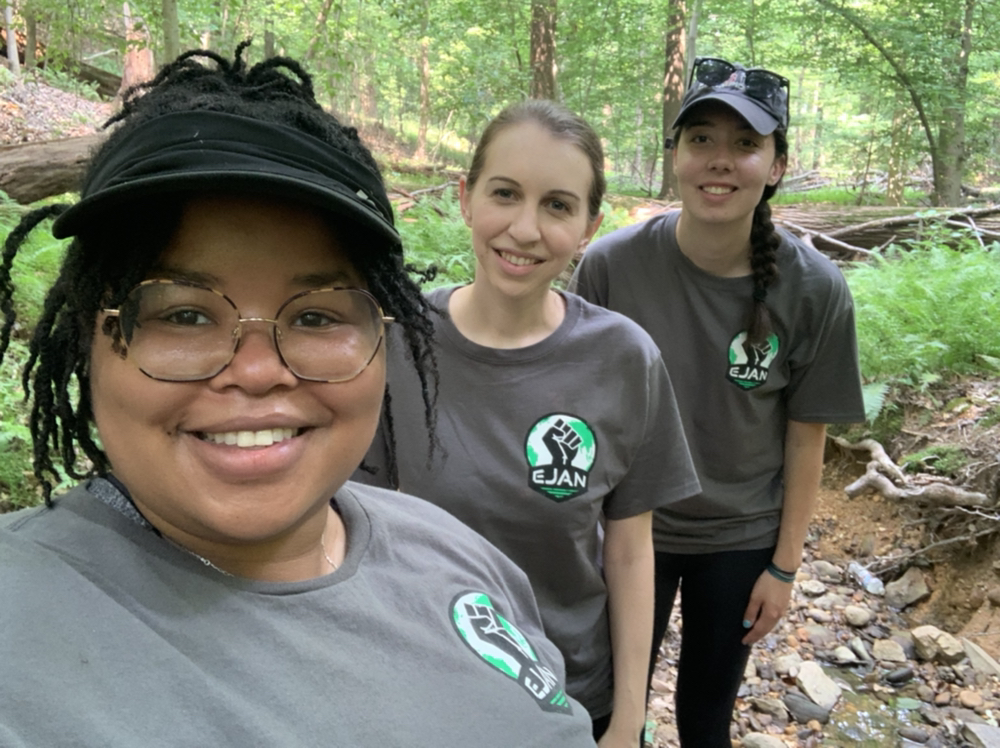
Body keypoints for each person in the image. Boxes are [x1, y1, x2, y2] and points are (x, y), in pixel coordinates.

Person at [0, 44, 599, 747]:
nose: (255, 371)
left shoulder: (458, 554)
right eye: (184, 314)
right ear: (87, 343)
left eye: (316, 315)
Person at [356, 100, 700, 746]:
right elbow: (357, 528)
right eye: (505, 194)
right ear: (464, 197)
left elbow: (628, 552)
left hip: (572, 694)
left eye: (557, 206)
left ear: (590, 225)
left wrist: (630, 716)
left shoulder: (624, 359)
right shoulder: (397, 345)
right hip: (429, 685)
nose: (524, 229)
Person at [571, 57, 866, 745]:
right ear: (674, 155)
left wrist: (784, 566)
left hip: (738, 539)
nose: (719, 161)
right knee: (607, 713)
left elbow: (804, 436)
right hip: (625, 531)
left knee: (707, 719)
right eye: (701, 138)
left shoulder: (815, 290)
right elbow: (579, 406)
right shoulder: (611, 266)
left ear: (777, 165)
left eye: (745, 144)